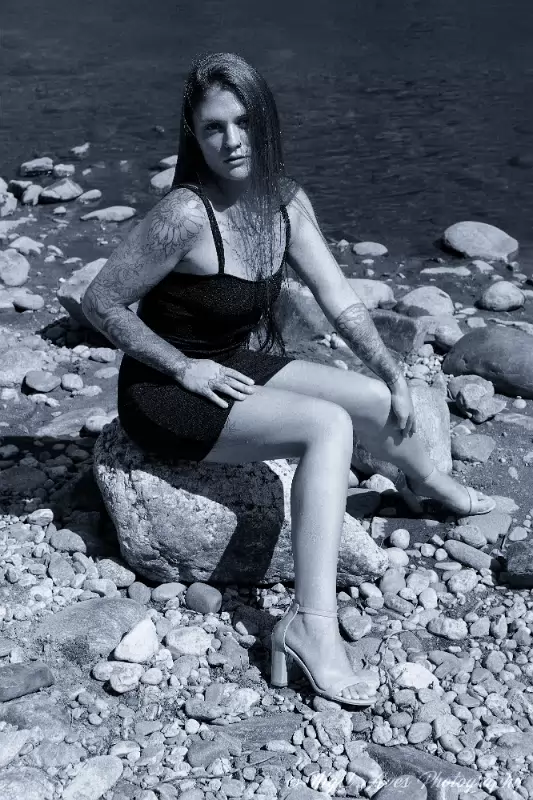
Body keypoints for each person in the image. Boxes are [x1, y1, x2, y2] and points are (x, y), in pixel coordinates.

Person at [82, 52, 495, 707]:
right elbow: (100, 301)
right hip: (165, 392)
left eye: (243, 121)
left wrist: (391, 371)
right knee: (326, 427)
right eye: (214, 127)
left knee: (369, 398)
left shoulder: (285, 202)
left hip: (232, 362)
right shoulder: (185, 214)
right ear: (194, 135)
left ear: (264, 120)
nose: (232, 139)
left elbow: (339, 298)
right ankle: (310, 626)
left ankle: (429, 484)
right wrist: (182, 366)